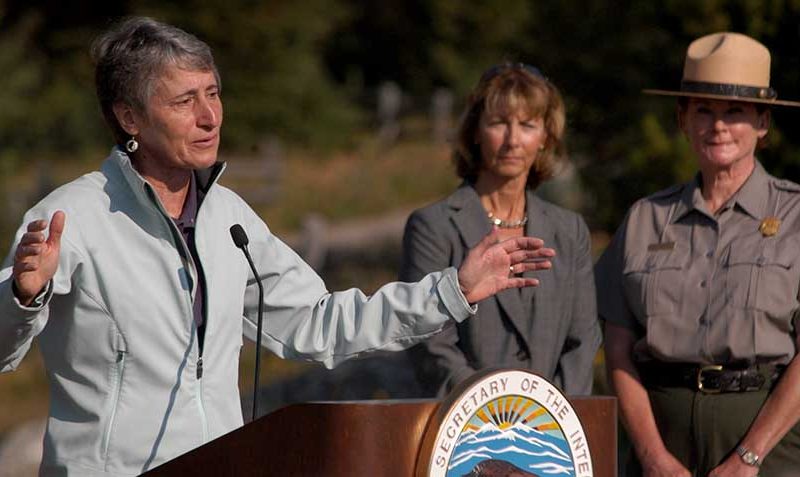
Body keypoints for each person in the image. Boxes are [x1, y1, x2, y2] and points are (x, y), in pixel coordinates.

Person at [0, 17, 557, 477]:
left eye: (214, 93)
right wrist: (24, 297)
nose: (210, 116)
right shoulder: (69, 218)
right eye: (185, 101)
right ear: (129, 117)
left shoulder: (229, 218)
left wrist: (451, 291)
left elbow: (320, 323)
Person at [597, 32, 800, 477]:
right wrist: (652, 456)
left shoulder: (796, 215)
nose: (718, 125)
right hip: (662, 445)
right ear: (682, 119)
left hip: (770, 445)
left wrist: (750, 457)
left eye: (735, 111)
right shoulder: (645, 219)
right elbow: (618, 349)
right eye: (703, 110)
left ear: (763, 123)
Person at [400, 63, 600, 397]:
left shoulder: (570, 230)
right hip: (465, 431)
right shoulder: (432, 227)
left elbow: (583, 341)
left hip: (552, 435)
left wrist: (551, 417)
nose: (512, 140)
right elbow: (430, 343)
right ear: (475, 132)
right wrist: (494, 412)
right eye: (498, 123)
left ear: (545, 137)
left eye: (527, 125)